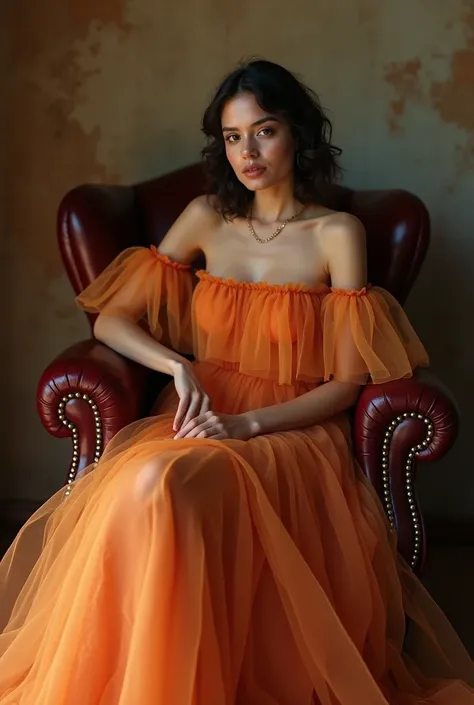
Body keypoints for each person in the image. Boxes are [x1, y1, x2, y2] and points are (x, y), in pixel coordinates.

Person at [0, 59, 472, 705]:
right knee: (141, 488)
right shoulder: (205, 218)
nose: (247, 152)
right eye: (232, 136)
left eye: (264, 131)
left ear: (298, 135)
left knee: (155, 484)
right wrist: (178, 365)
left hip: (289, 428)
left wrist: (247, 426)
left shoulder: (337, 233)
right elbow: (111, 319)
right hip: (196, 409)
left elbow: (345, 384)